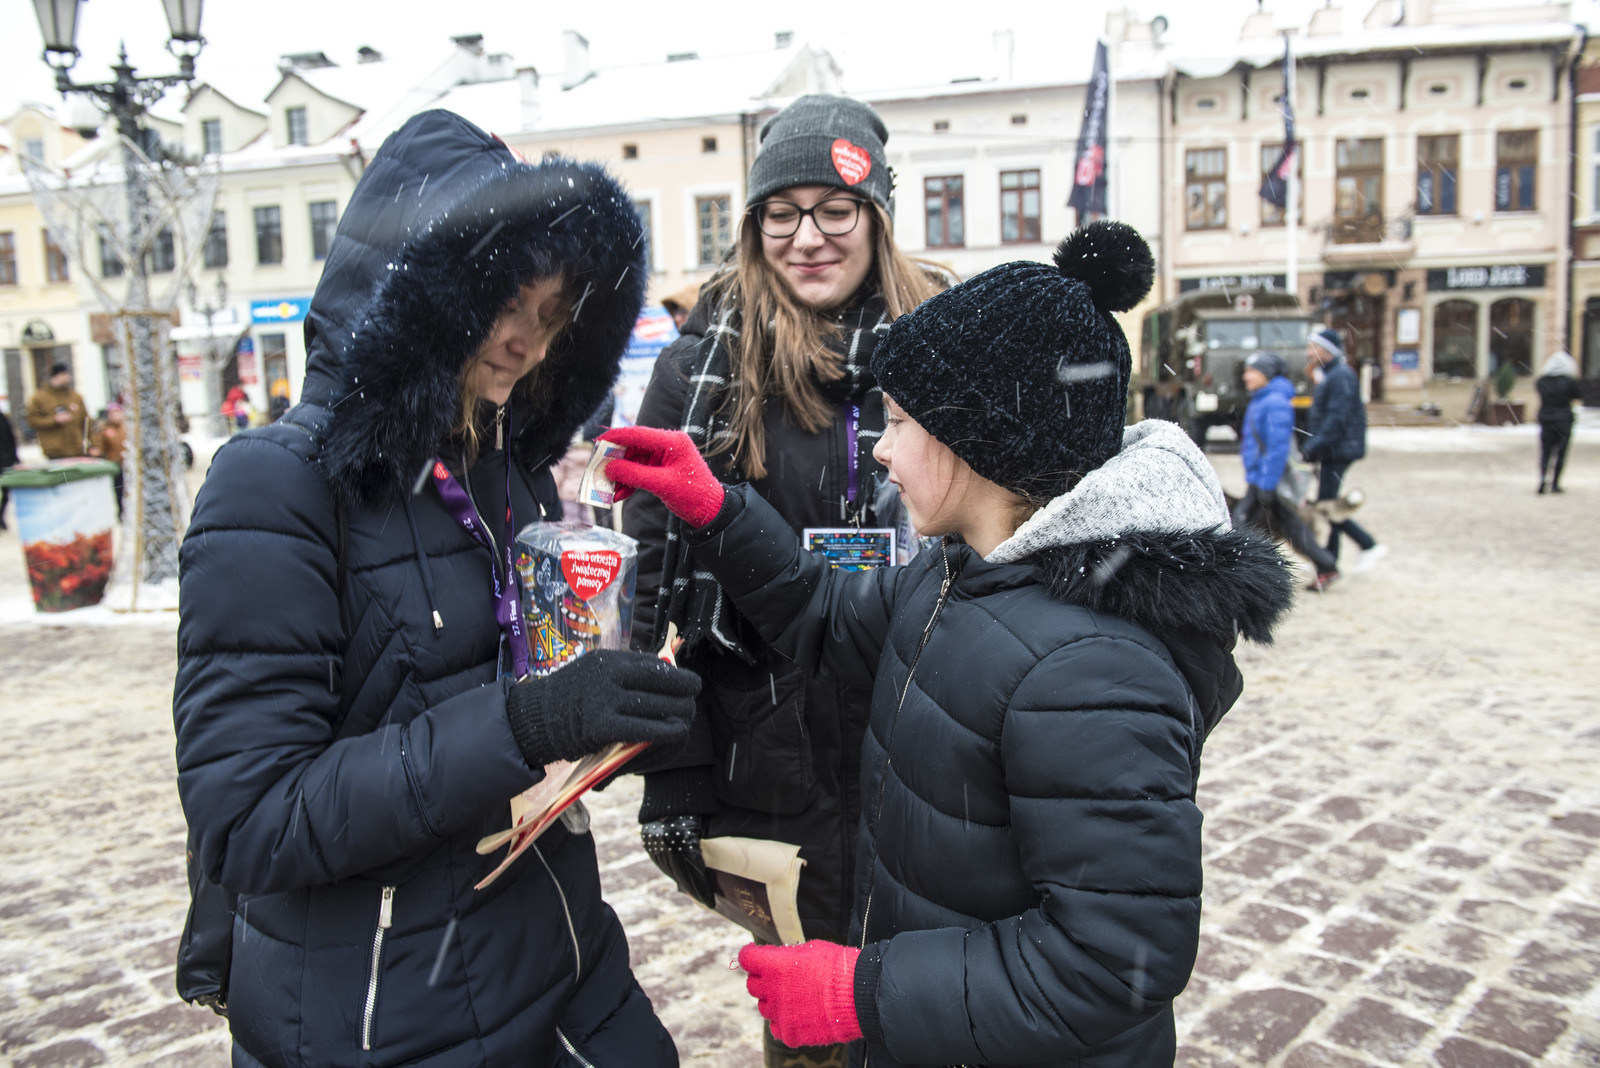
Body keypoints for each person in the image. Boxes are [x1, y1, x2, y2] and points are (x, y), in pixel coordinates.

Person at [600, 221, 1292, 1068]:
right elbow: (828, 614)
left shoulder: (1091, 672)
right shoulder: (963, 570)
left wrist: (860, 993)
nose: (882, 449)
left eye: (898, 421)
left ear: (981, 439)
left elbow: (1112, 964)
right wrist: (717, 510)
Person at [172, 110, 701, 1068]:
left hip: (559, 950)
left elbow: (506, 691)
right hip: (387, 1008)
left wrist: (606, 713)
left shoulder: (506, 470)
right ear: (420, 291)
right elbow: (249, 822)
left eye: (552, 317)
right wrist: (528, 724)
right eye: (505, 303)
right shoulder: (274, 484)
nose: (525, 342)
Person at [620, 91, 944, 1068]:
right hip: (766, 744)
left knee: (929, 994)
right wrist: (672, 772)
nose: (807, 237)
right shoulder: (700, 364)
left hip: (924, 726)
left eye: (834, 209)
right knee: (808, 1016)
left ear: (876, 216)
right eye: (780, 213)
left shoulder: (947, 339)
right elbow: (653, 582)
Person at [1237, 350, 1341, 590]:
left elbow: (1277, 448)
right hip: (1262, 477)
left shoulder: (1273, 402)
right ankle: (1327, 566)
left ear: (1266, 374)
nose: (1246, 376)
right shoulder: (1262, 399)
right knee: (1289, 526)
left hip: (1268, 478)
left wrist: (1267, 483)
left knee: (1239, 524)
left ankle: (1233, 575)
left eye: (1252, 371)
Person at [1303, 327, 1385, 572]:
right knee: (1328, 505)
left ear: (1326, 351)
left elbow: (1336, 420)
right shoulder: (1331, 375)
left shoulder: (1340, 376)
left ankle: (1367, 545)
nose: (1308, 353)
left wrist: (1313, 447)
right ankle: (1330, 559)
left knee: (1327, 507)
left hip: (1338, 450)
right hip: (1333, 449)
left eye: (1313, 348)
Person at [1535, 350, 1582, 493]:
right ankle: (1555, 483)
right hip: (1564, 420)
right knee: (1561, 452)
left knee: (1546, 451)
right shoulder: (1569, 381)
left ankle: (1543, 478)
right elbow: (1578, 395)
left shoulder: (1542, 381)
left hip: (1547, 419)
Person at [25, 362, 89, 459]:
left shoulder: (75, 397)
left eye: (68, 374)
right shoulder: (39, 398)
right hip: (55, 451)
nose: (67, 378)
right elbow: (32, 420)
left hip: (76, 449)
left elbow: (86, 421)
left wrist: (93, 444)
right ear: (55, 376)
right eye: (64, 374)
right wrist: (54, 420)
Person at [90, 403, 126, 520]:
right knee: (118, 491)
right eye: (113, 414)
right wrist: (96, 451)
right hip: (114, 466)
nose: (116, 416)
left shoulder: (126, 428)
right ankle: (120, 514)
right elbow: (100, 446)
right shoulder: (105, 430)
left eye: (117, 413)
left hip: (126, 465)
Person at [0, 407, 16, 529]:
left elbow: (9, 437)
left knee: (5, 492)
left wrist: (13, 457)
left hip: (5, 459)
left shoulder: (1, 416)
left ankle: (1, 516)